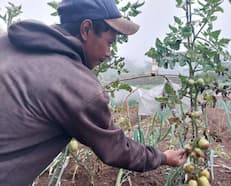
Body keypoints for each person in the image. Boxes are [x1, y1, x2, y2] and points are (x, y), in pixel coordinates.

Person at [0, 0, 188, 185]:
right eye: (109, 42)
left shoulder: (6, 44)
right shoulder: (77, 86)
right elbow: (116, 148)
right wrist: (162, 157)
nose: (109, 53)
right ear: (86, 29)